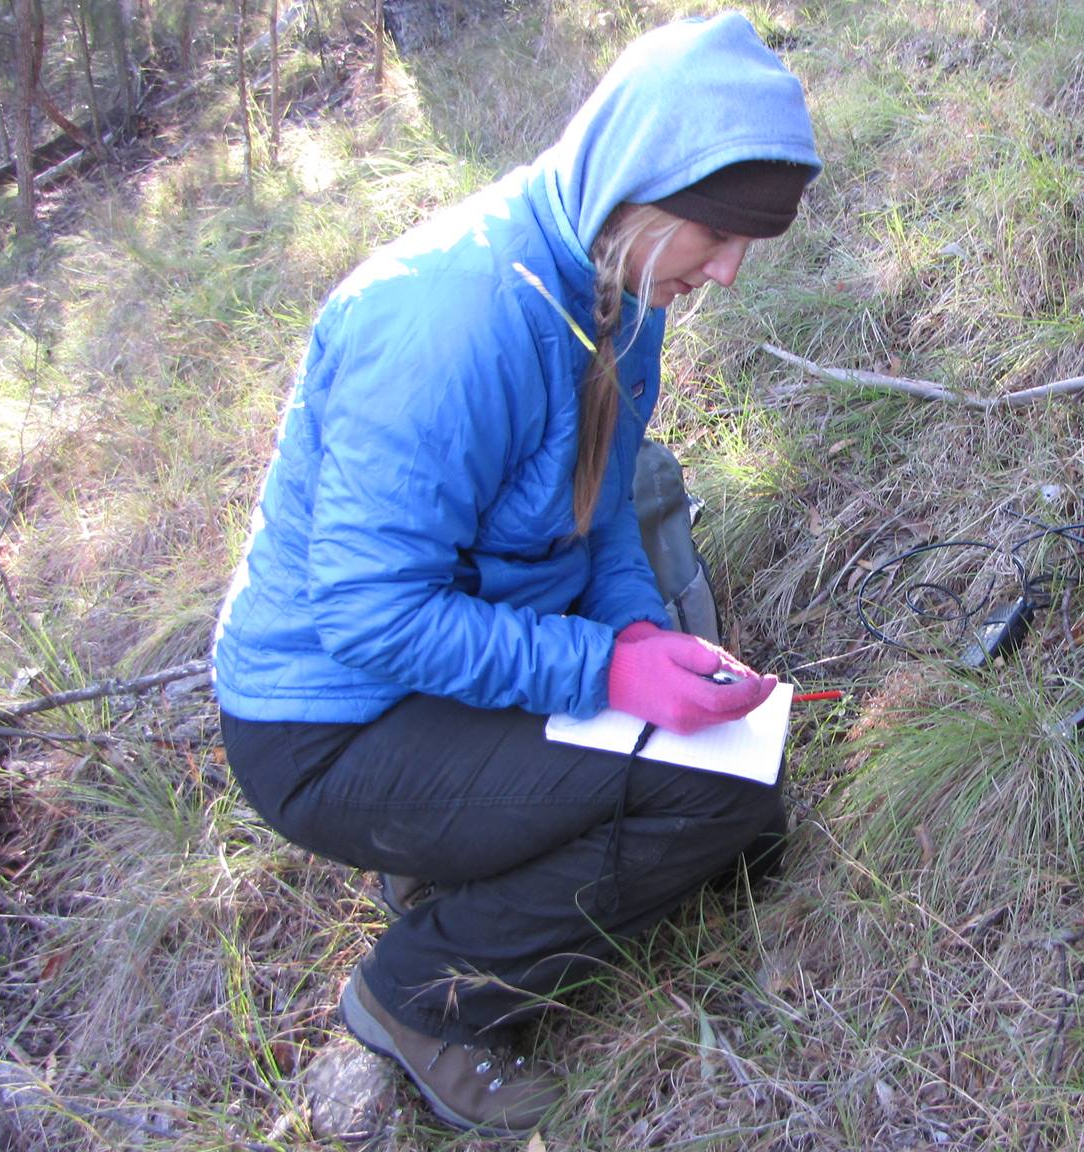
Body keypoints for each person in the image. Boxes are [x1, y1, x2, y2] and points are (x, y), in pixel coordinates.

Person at [209, 12, 819, 1136]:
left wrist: (638, 635)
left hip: (444, 664)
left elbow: (597, 514)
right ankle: (422, 998)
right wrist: (604, 674)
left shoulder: (622, 282)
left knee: (741, 793)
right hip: (330, 724)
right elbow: (366, 614)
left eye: (749, 246)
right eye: (717, 236)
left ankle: (467, 846)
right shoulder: (448, 319)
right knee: (719, 796)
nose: (727, 273)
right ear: (639, 180)